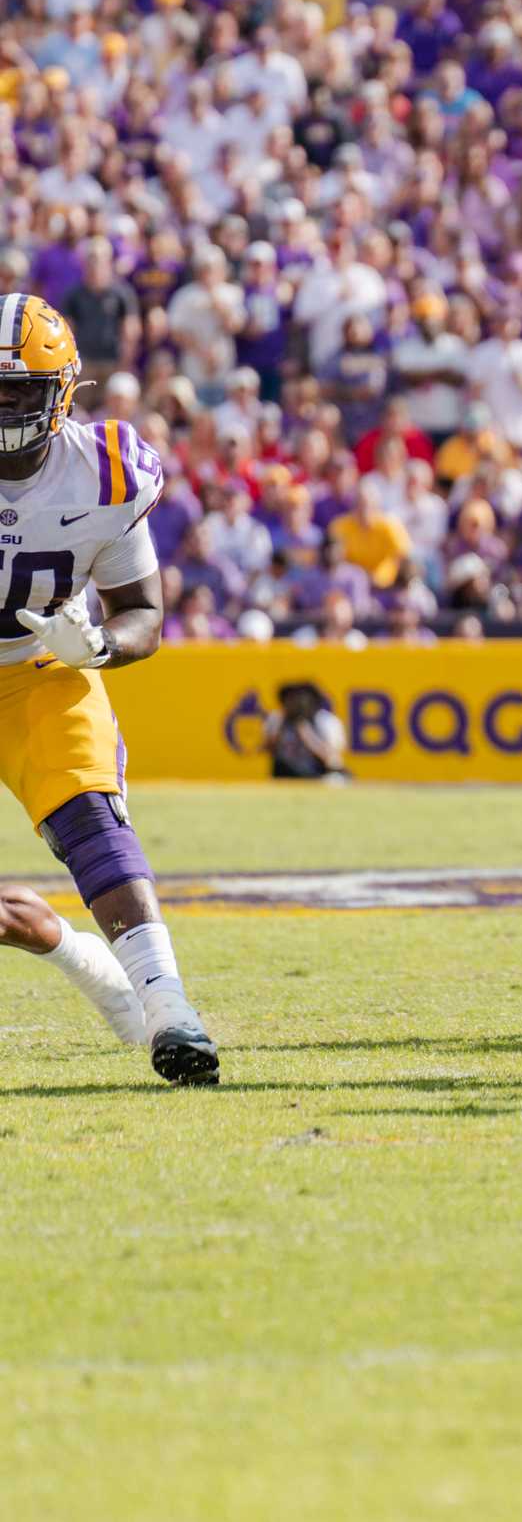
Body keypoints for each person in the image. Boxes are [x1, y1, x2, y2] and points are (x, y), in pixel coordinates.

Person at [0, 294, 220, 1083]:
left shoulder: (105, 470)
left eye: (18, 390)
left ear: (62, 391)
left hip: (39, 671)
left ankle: (170, 1010)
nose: (2, 408)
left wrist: (96, 643)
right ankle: (86, 962)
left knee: (90, 818)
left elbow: (145, 615)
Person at [263, 680, 347, 780]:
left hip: (320, 774)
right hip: (286, 774)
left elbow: (331, 757)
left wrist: (304, 730)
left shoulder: (326, 721)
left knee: (337, 776)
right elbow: (269, 750)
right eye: (291, 699)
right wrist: (279, 727)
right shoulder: (277, 718)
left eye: (302, 699)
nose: (297, 703)